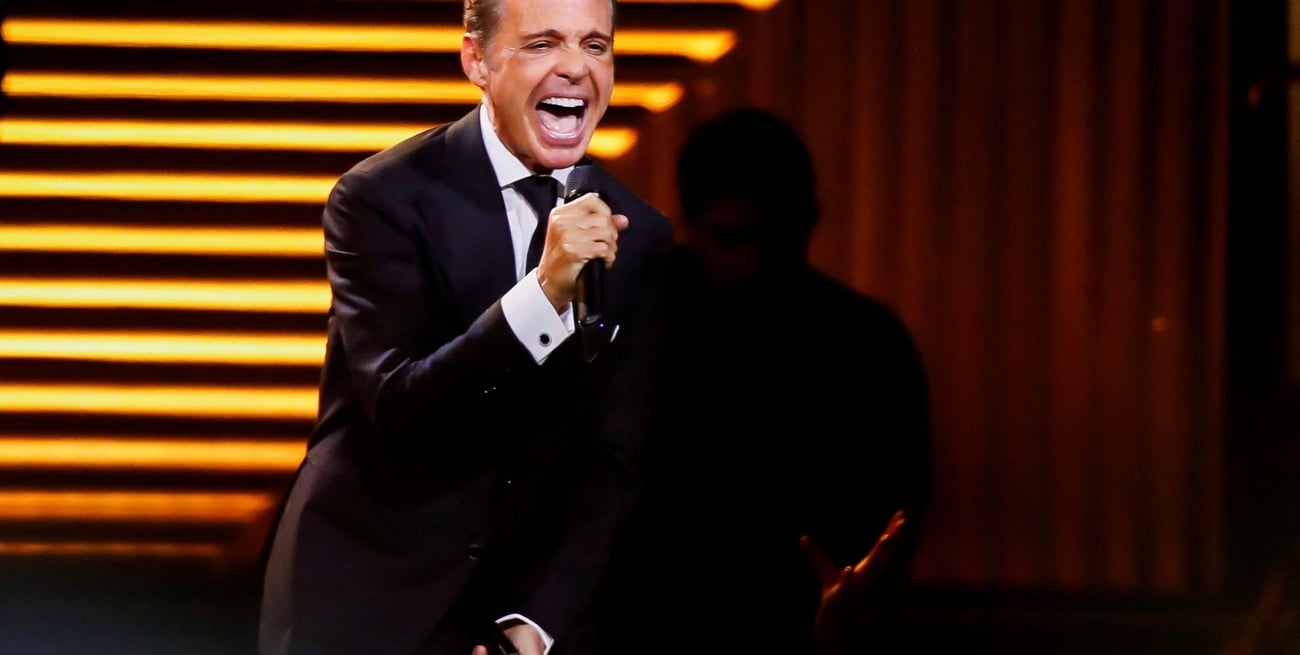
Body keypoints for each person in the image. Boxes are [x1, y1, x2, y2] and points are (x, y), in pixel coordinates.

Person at [256, 0, 672, 653]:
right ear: (478, 60)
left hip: (512, 617)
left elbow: (610, 460)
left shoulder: (635, 232)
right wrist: (543, 294)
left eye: (595, 45)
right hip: (366, 603)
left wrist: (533, 625)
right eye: (542, 44)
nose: (575, 67)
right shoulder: (381, 199)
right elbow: (401, 406)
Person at [595, 107, 932, 655]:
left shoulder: (866, 344)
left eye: (775, 237)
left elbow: (890, 525)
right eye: (731, 239)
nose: (754, 261)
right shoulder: (625, 325)